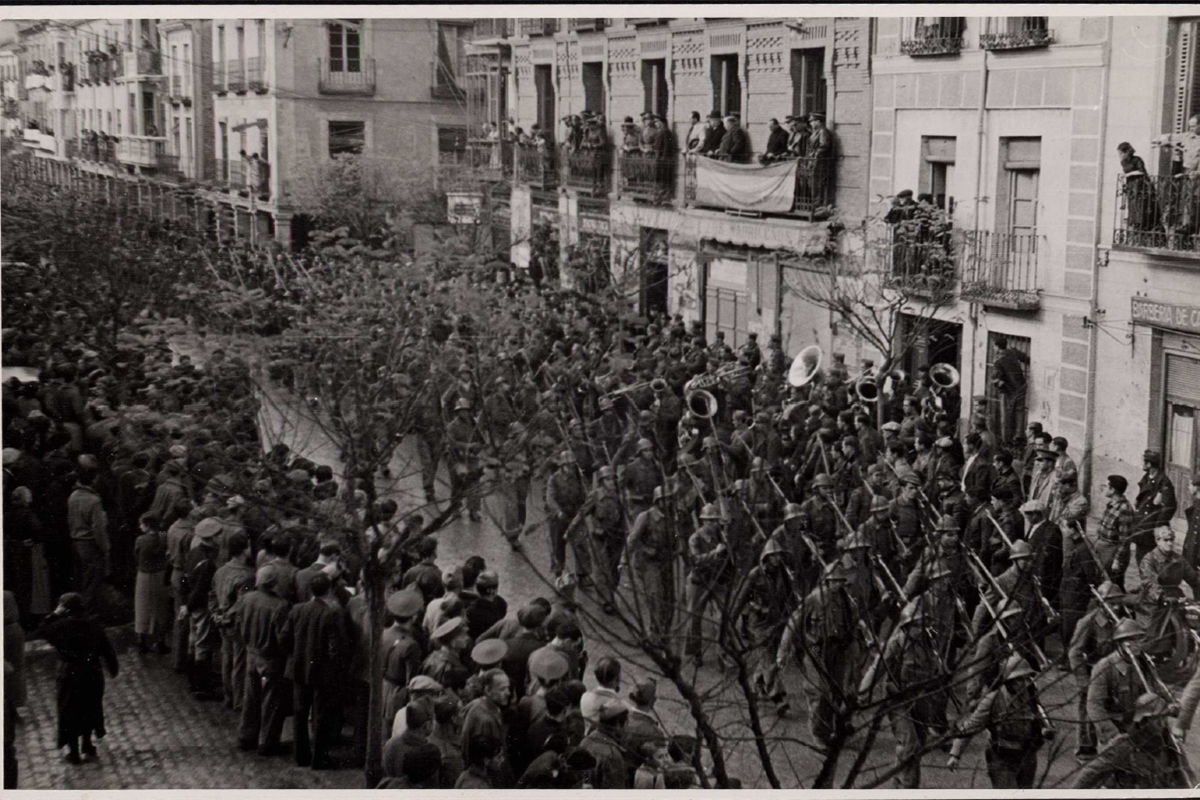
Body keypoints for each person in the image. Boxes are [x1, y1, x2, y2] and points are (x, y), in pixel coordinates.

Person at [947, 654, 1053, 788]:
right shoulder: (993, 699)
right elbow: (971, 725)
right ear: (1009, 680)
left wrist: (1045, 730)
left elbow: (1039, 718)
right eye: (1020, 679)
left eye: (1028, 678)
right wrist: (955, 754)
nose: (1025, 683)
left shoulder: (1031, 694)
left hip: (1027, 756)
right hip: (1003, 759)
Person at [36, 592, 119, 764]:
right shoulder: (94, 624)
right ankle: (87, 744)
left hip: (70, 673)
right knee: (90, 707)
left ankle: (73, 752)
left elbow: (42, 630)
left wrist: (54, 614)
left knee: (69, 711)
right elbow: (106, 648)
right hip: (92, 672)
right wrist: (113, 667)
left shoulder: (61, 627)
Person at [287, 571, 352, 770]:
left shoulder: (297, 609)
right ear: (329, 589)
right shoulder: (332, 612)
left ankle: (301, 755)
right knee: (321, 715)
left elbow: (285, 637)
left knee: (299, 712)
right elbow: (335, 648)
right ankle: (320, 758)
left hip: (299, 669)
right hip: (322, 673)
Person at [1075, 692, 1195, 789]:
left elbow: (1186, 775)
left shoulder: (1170, 744)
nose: (1162, 723)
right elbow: (1090, 774)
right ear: (1144, 721)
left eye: (1164, 718)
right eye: (1157, 719)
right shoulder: (1124, 744)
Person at [235, 564, 292, 756]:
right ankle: (266, 742)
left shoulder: (246, 599)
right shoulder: (280, 605)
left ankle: (246, 735)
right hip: (271, 658)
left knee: (250, 697)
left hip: (252, 653)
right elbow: (282, 637)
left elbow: (239, 624)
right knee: (271, 701)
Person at [132, 511, 171, 654]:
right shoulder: (163, 536)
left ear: (147, 525)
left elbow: (136, 554)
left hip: (144, 575)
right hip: (160, 575)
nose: (140, 526)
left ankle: (141, 641)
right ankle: (160, 641)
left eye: (142, 523)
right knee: (161, 609)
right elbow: (164, 540)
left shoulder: (141, 540)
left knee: (142, 608)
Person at [1133, 449, 1177, 566]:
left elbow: (1169, 508)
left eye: (1144, 462)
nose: (1142, 464)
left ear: (1149, 464)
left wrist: (1157, 528)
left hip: (1152, 531)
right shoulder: (1147, 478)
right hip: (1142, 528)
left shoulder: (1164, 482)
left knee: (1153, 563)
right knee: (1141, 561)